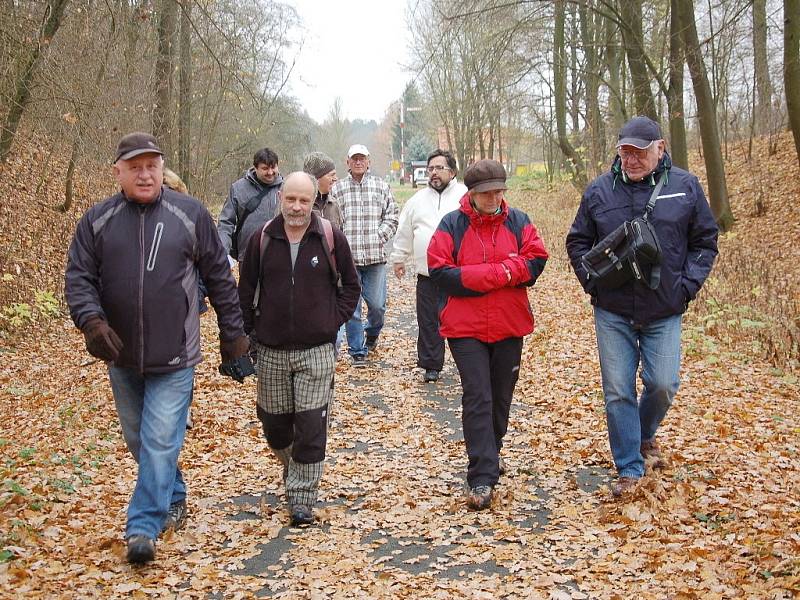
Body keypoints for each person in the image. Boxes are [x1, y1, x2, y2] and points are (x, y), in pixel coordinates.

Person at [65, 132, 250, 564]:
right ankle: (175, 493)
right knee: (140, 441)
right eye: (135, 167)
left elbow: (220, 277)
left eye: (151, 165)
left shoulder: (189, 214)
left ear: (161, 168)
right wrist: (91, 322)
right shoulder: (97, 220)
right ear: (119, 172)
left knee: (160, 438)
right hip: (121, 355)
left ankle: (143, 527)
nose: (145, 174)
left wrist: (233, 335)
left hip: (176, 355)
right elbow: (79, 278)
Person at [565, 116, 719, 498]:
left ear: (660, 149)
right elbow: (577, 242)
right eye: (625, 151)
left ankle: (644, 433)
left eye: (640, 152)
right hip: (613, 309)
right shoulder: (599, 191)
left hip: (664, 307)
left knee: (663, 384)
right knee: (618, 390)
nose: (632, 159)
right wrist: (593, 285)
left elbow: (705, 241)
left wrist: (685, 289)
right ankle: (629, 468)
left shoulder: (684, 187)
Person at [238, 172, 360, 526]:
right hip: (271, 349)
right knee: (274, 425)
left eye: (304, 200)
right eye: (290, 199)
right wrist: (245, 336)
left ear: (313, 202)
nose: (296, 207)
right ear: (281, 198)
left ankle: (302, 497)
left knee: (310, 424)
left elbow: (351, 286)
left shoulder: (329, 237)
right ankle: (295, 470)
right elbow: (244, 293)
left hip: (317, 349)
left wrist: (330, 321)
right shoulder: (262, 239)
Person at [427, 159, 548, 510]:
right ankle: (481, 475)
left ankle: (489, 452)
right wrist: (501, 274)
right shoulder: (452, 224)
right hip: (465, 328)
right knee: (478, 395)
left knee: (501, 397)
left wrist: (491, 273)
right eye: (487, 192)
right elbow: (440, 271)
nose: (494, 197)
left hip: (510, 324)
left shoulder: (519, 221)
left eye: (499, 191)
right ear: (472, 194)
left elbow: (536, 260)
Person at [390, 149, 466, 383]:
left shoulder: (465, 196)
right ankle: (432, 364)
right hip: (427, 273)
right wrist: (399, 257)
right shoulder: (417, 200)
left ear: (452, 172)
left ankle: (467, 362)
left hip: (459, 273)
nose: (433, 173)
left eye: (439, 168)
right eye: (430, 169)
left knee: (460, 320)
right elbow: (405, 231)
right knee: (429, 320)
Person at [329, 144, 399, 367]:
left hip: (375, 258)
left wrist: (379, 236)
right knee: (353, 308)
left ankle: (372, 333)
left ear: (368, 161)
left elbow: (392, 216)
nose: (358, 162)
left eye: (362, 158)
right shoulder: (337, 189)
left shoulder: (381, 186)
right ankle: (357, 350)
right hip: (348, 260)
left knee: (377, 306)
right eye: (354, 159)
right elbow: (332, 221)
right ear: (347, 162)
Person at [217, 147, 283, 261]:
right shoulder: (238, 189)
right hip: (248, 256)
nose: (270, 172)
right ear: (255, 168)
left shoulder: (286, 188)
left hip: (280, 255)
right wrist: (223, 252)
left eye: (273, 167)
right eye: (265, 168)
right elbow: (226, 223)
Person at [303, 151, 343, 229]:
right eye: (332, 175)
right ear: (317, 178)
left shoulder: (334, 204)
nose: (336, 178)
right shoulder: (298, 204)